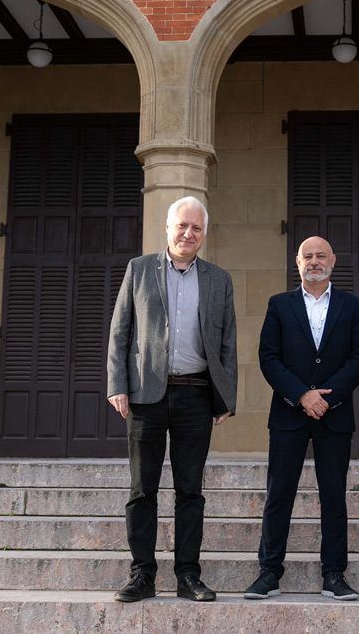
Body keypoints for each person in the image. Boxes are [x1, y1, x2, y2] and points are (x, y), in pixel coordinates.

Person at [106, 196, 238, 603]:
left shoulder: (219, 279)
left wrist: (224, 398)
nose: (188, 233)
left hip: (196, 396)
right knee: (142, 489)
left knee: (190, 491)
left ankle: (187, 576)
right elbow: (121, 331)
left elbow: (228, 342)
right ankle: (142, 575)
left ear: (204, 234)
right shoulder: (139, 269)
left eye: (196, 228)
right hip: (147, 393)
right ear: (168, 228)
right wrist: (117, 384)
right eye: (182, 226)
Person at [245, 236, 359, 601]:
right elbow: (268, 357)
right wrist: (301, 395)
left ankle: (334, 574)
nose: (314, 262)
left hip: (335, 414)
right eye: (307, 257)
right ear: (297, 263)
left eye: (320, 256)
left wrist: (327, 397)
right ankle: (269, 572)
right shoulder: (279, 305)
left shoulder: (351, 305)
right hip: (288, 413)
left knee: (334, 496)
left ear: (334, 259)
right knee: (278, 494)